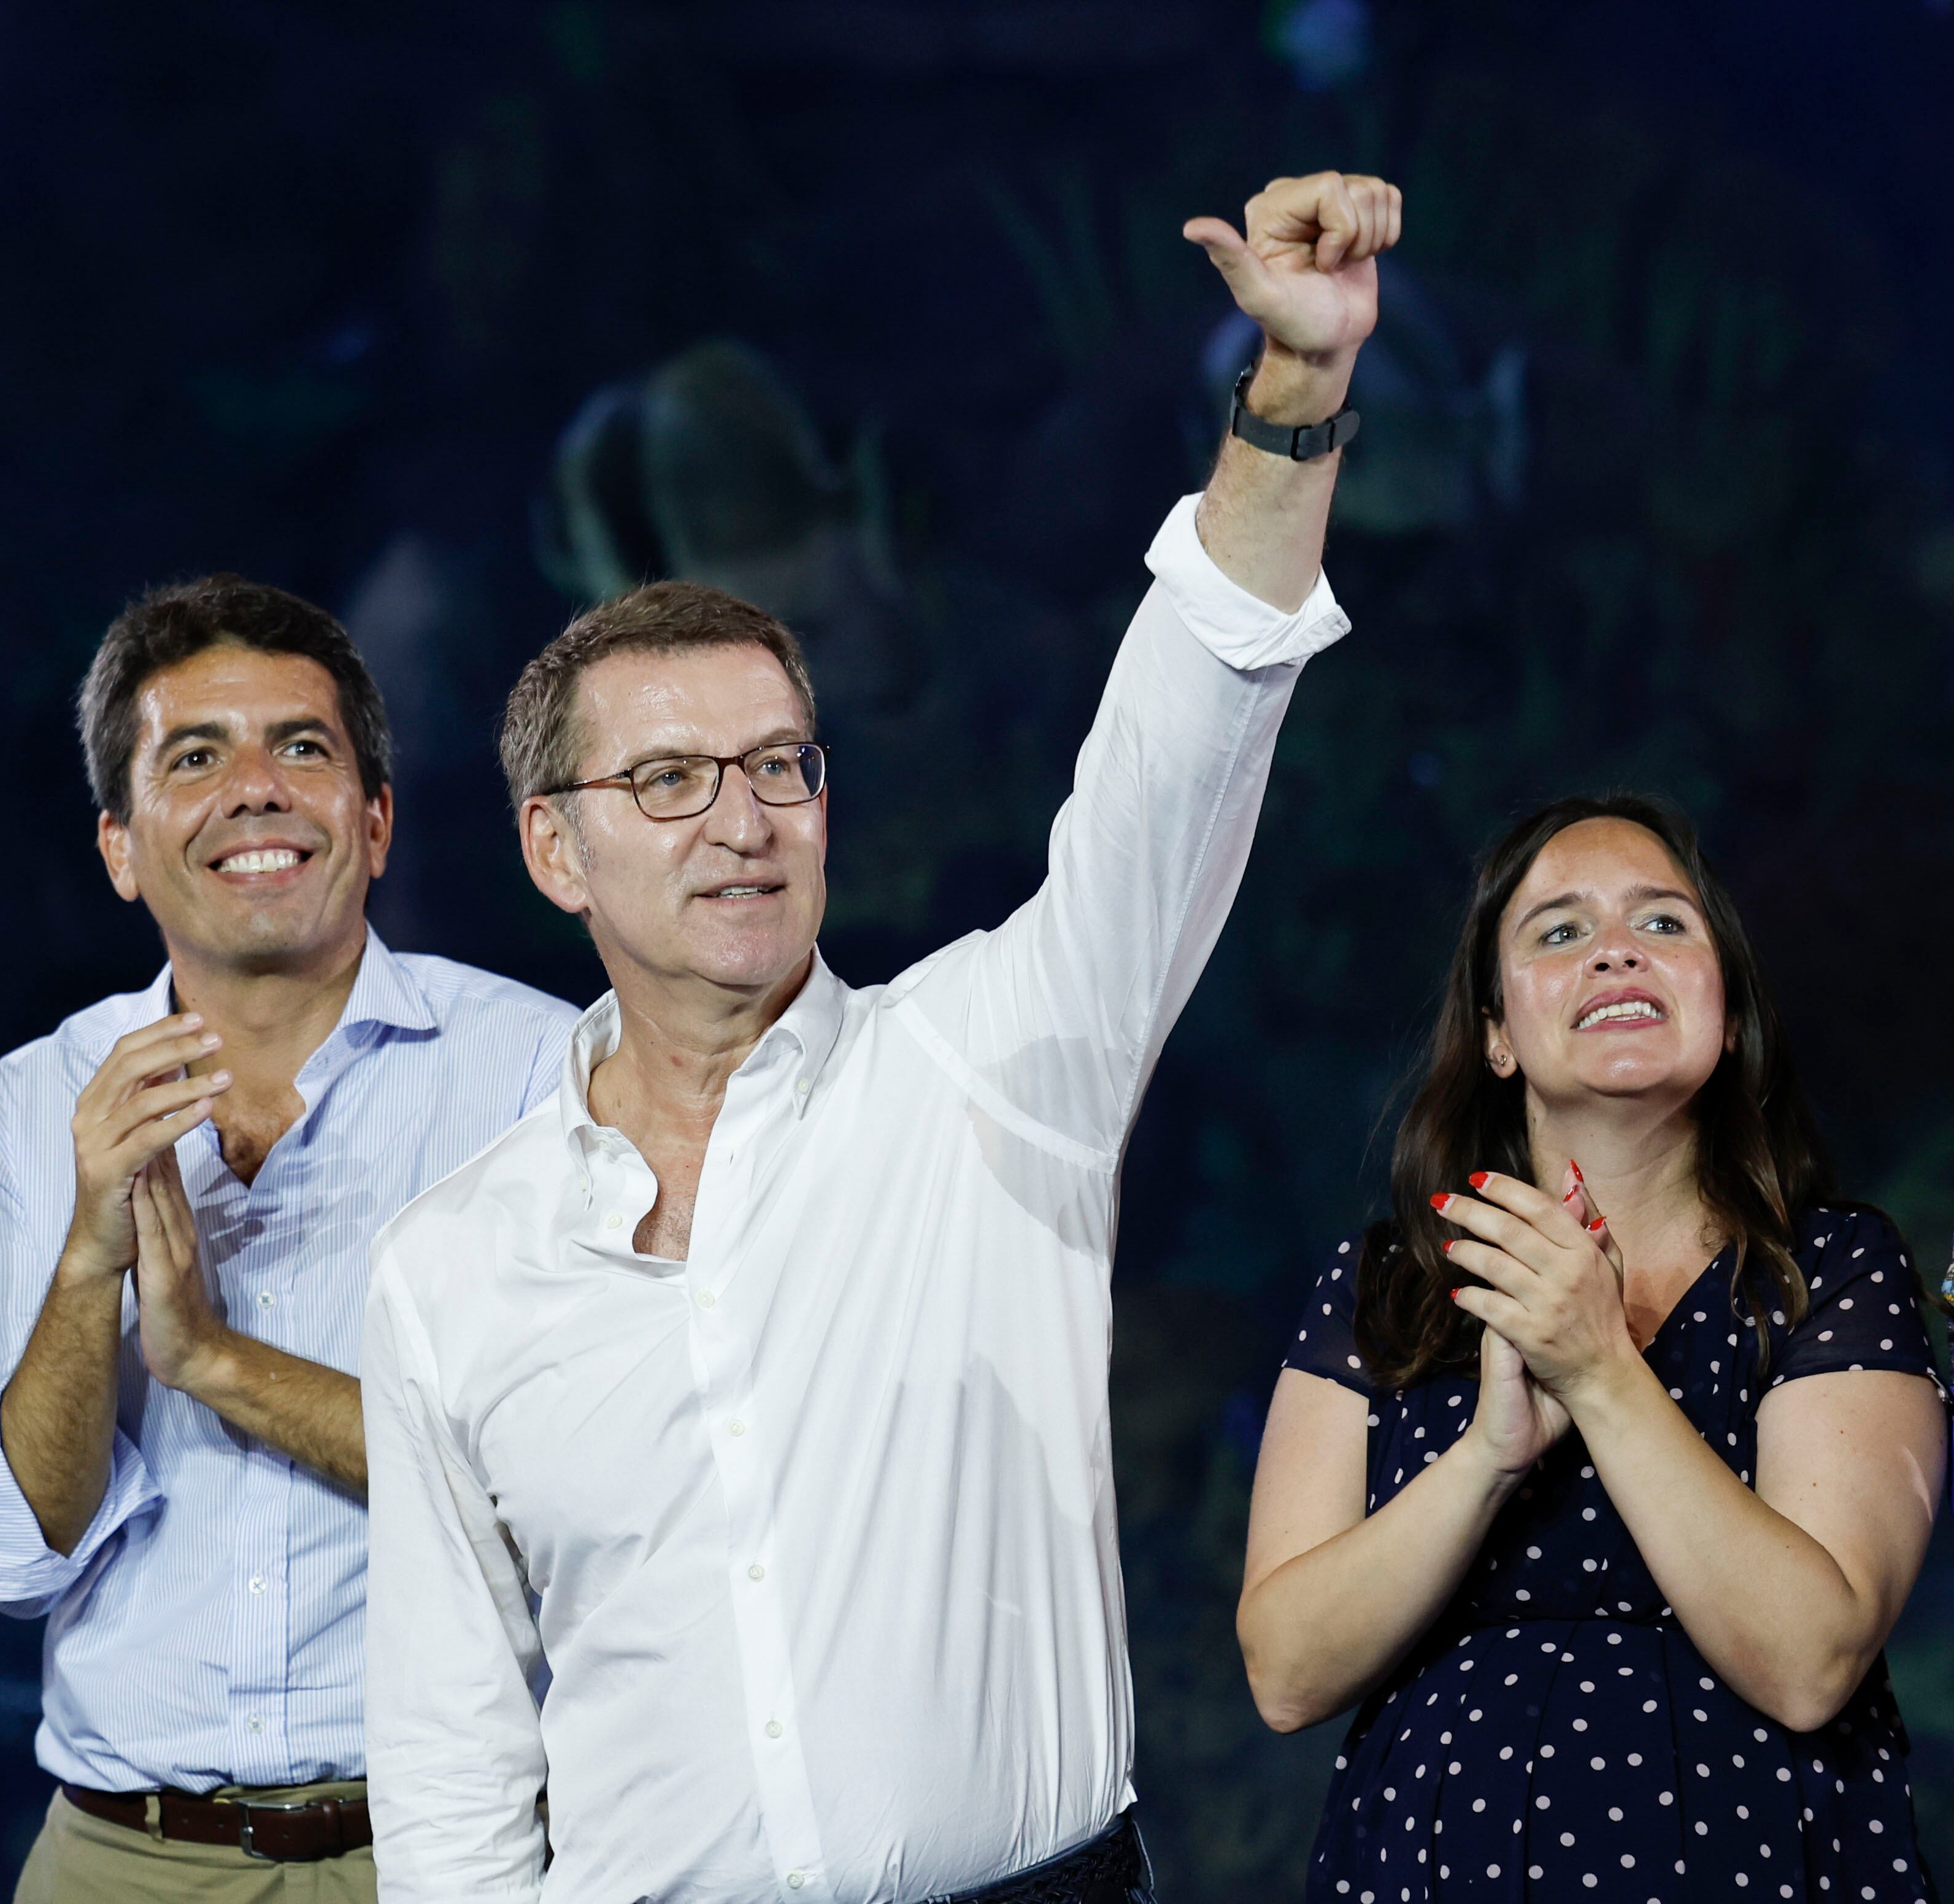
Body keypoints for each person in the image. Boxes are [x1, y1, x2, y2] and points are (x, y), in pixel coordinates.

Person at [360, 169, 1401, 1904]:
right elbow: (456, 1762)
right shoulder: (450, 1270)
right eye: (671, 782)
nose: (744, 821)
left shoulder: (995, 1066)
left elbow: (1183, 737)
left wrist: (1291, 401)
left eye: (781, 767)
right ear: (556, 849)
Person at [0, 576, 578, 1902]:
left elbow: (552, 1505)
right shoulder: (27, 1101)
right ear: (119, 847)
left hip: (452, 1848)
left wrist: (214, 1361)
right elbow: (7, 1552)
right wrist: (84, 1260)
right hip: (123, 1856)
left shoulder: (540, 1075)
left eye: (302, 747)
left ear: (378, 820)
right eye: (194, 756)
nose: (256, 789)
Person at [1239, 794, 1947, 1903]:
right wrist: (1490, 1459)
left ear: (1725, 1005)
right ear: (1496, 1034)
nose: (1617, 950)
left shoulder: (1833, 1273)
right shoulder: (1386, 1287)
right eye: (1560, 932)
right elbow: (1284, 1673)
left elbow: (1813, 1662)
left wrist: (1601, 1371)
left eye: (1664, 924)